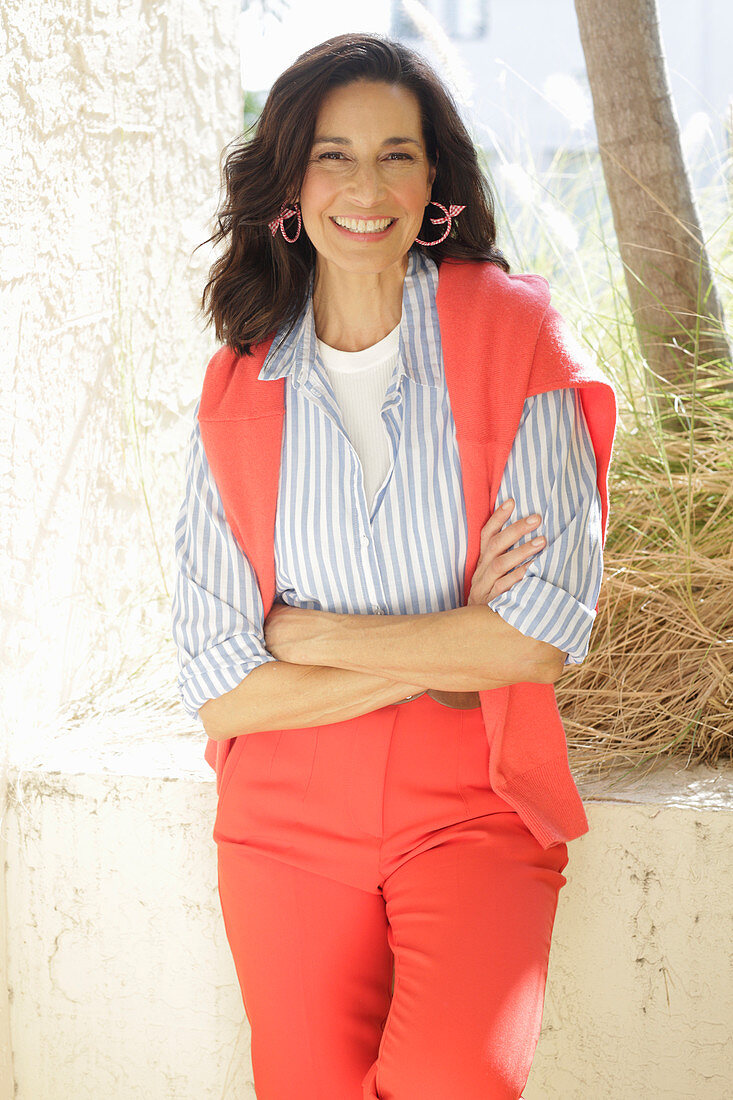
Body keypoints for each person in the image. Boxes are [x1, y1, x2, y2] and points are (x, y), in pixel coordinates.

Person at [171, 32, 616, 1100]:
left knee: (457, 1077)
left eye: (395, 155)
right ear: (289, 182)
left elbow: (541, 630)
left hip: (473, 797)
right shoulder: (238, 383)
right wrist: (448, 643)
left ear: (436, 183)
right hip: (282, 813)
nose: (364, 187)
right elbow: (219, 681)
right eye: (332, 155)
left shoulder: (517, 339)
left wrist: (314, 631)